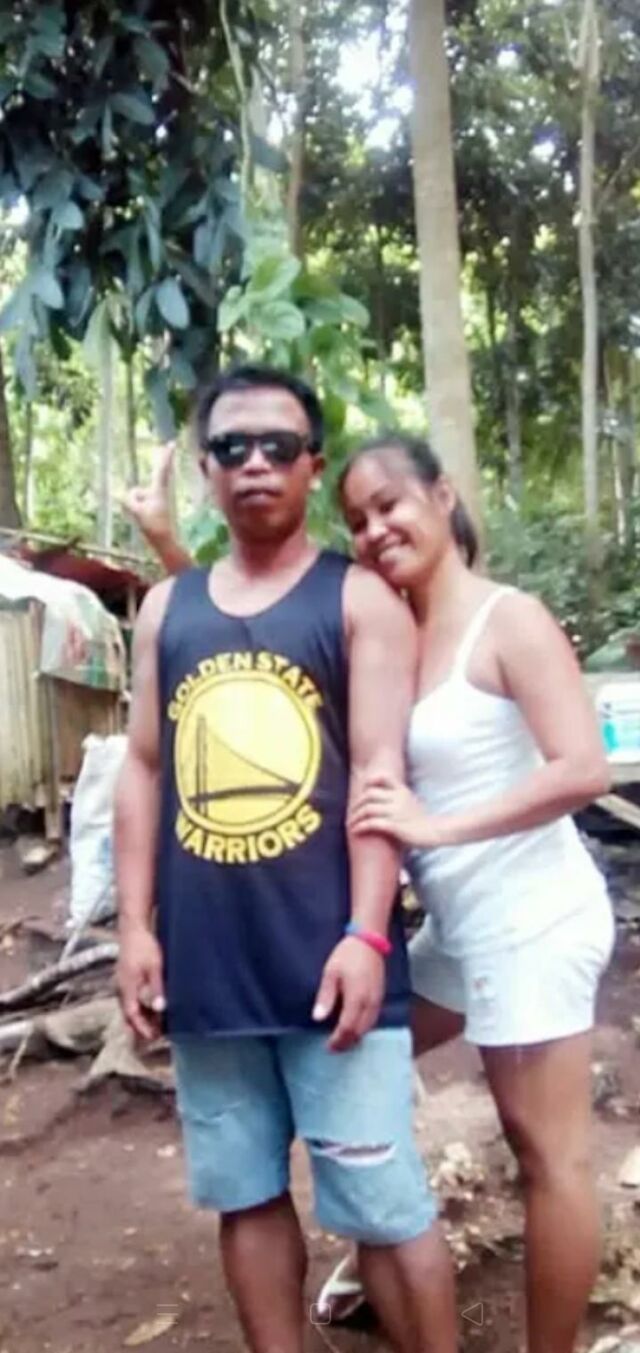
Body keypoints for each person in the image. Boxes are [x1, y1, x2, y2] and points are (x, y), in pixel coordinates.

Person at [131, 427, 614, 1353]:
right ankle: (376, 1245)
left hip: (531, 919)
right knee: (357, 1071)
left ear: (442, 496)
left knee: (546, 1150)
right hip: (455, 932)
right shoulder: (391, 616)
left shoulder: (507, 620)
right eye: (357, 519)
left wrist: (434, 827)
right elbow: (249, 636)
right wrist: (166, 545)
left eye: (390, 504)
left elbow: (583, 769)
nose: (375, 530)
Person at [115, 369, 457, 1353]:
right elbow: (144, 769)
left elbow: (379, 776)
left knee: (384, 1207)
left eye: (278, 445)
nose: (254, 463)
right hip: (206, 966)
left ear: (313, 465)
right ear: (209, 469)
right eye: (232, 447)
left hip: (331, 962)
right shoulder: (166, 608)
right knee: (246, 1194)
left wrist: (366, 935)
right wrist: (135, 928)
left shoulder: (359, 600)